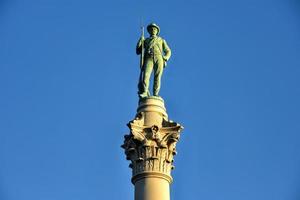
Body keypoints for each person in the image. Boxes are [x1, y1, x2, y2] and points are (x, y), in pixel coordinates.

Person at [136, 23, 171, 98]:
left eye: (155, 29)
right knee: (146, 75)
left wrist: (165, 57)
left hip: (159, 58)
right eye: (151, 29)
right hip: (149, 58)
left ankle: (155, 93)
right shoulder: (146, 40)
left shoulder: (161, 40)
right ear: (149, 31)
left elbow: (168, 50)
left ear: (157, 31)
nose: (153, 30)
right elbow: (138, 51)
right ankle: (145, 92)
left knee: (157, 76)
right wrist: (140, 40)